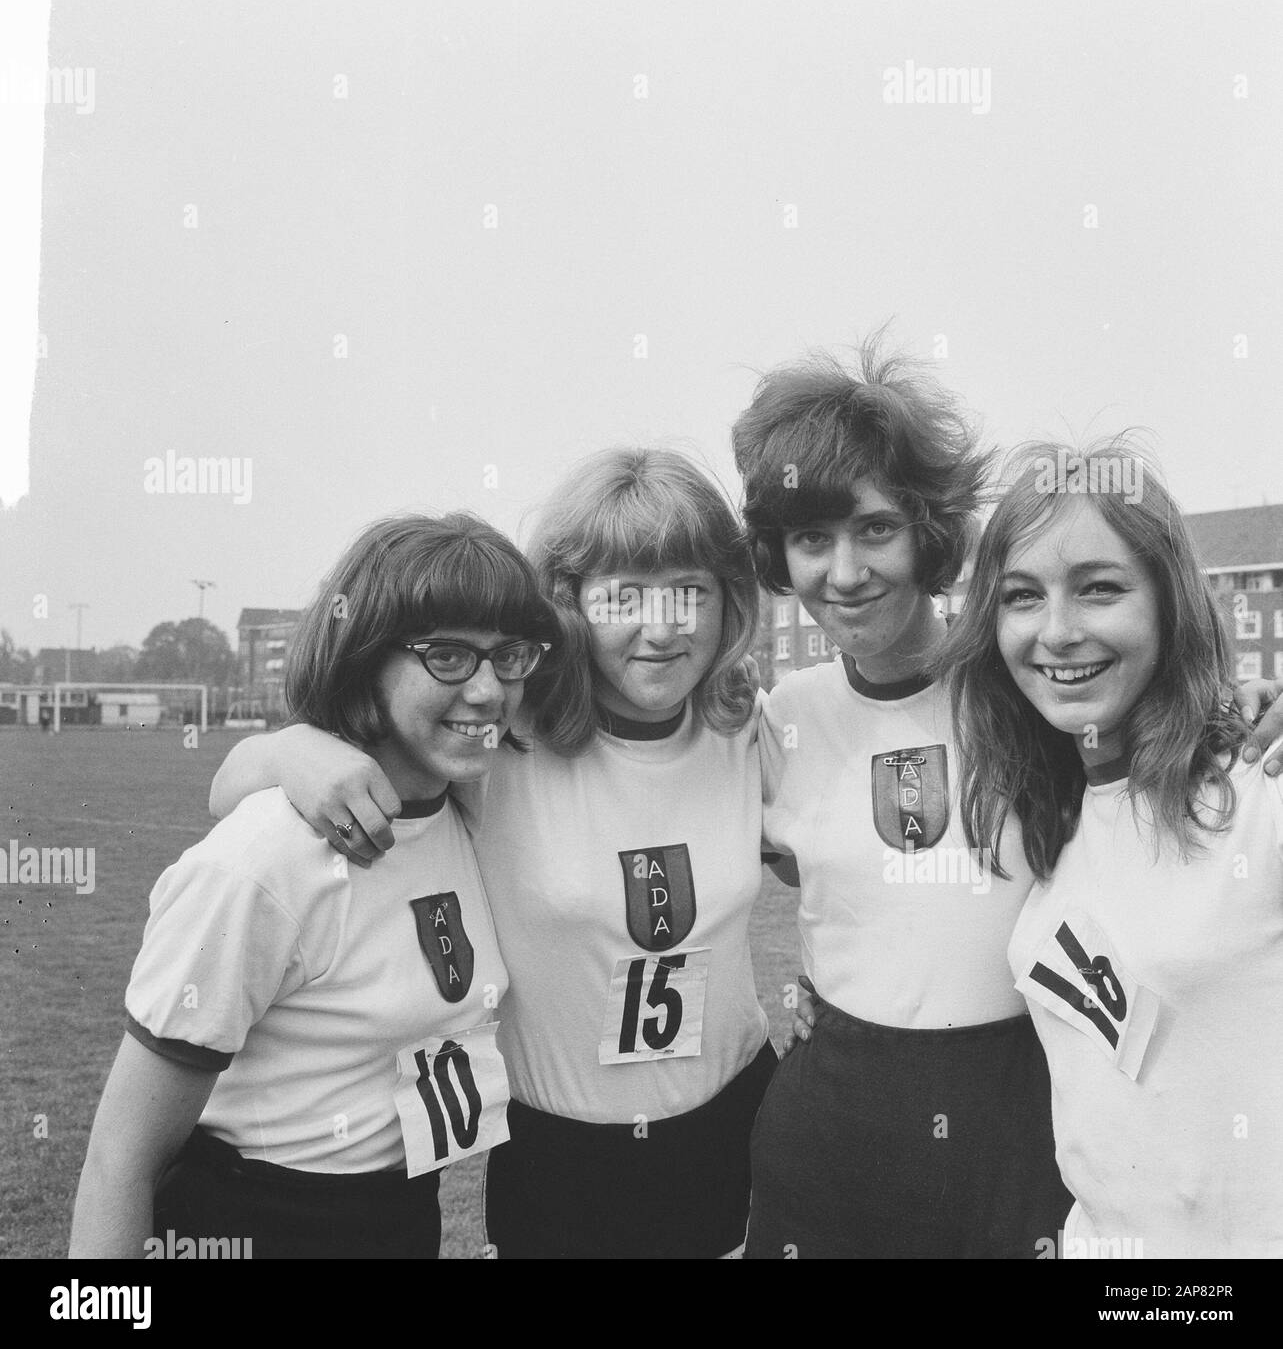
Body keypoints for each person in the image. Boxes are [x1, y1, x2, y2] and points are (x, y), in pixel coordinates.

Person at [208, 447, 777, 1259]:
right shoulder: (498, 744)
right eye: (622, 595)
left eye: (689, 592)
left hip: (733, 1119)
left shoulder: (746, 729)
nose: (660, 627)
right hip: (560, 1156)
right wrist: (294, 752)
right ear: (569, 605)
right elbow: (231, 788)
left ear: (728, 603)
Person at [70, 513, 558, 1259]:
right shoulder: (263, 862)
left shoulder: (473, 806)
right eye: (450, 656)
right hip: (255, 1225)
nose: (490, 690)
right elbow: (119, 1158)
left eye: (509, 656)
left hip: (397, 1213)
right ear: (363, 660)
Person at [731, 339, 1075, 1258]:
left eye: (874, 529)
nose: (843, 573)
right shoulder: (777, 724)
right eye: (811, 539)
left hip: (1011, 1117)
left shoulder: (1027, 691)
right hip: (833, 1122)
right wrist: (297, 754)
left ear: (928, 533)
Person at [946, 441, 1283, 1258]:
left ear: (1170, 604)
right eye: (1021, 596)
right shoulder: (1045, 822)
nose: (1057, 632)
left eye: (1098, 589)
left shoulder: (1259, 794)